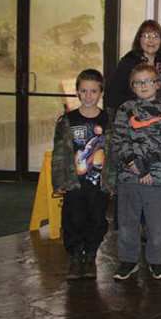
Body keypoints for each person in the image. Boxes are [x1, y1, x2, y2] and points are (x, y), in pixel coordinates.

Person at [109, 64, 161, 281]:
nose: (144, 85)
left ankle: (156, 261)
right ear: (132, 86)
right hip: (129, 175)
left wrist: (146, 166)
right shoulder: (124, 109)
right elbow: (119, 140)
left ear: (157, 83)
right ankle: (128, 261)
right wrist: (134, 165)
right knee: (128, 222)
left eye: (148, 81)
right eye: (138, 82)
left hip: (156, 176)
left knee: (157, 224)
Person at [51, 69, 109, 280]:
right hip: (74, 183)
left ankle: (91, 256)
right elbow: (59, 153)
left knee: (97, 220)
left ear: (100, 92)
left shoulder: (107, 119)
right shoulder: (67, 120)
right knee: (73, 220)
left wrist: (111, 181)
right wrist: (59, 181)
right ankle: (75, 257)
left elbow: (115, 151)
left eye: (93, 91)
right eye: (83, 91)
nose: (88, 96)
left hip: (98, 184)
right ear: (77, 92)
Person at [105, 20, 161, 115]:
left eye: (155, 36)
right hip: (131, 115)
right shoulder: (128, 62)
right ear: (139, 39)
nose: (151, 40)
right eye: (146, 36)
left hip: (158, 115)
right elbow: (113, 95)